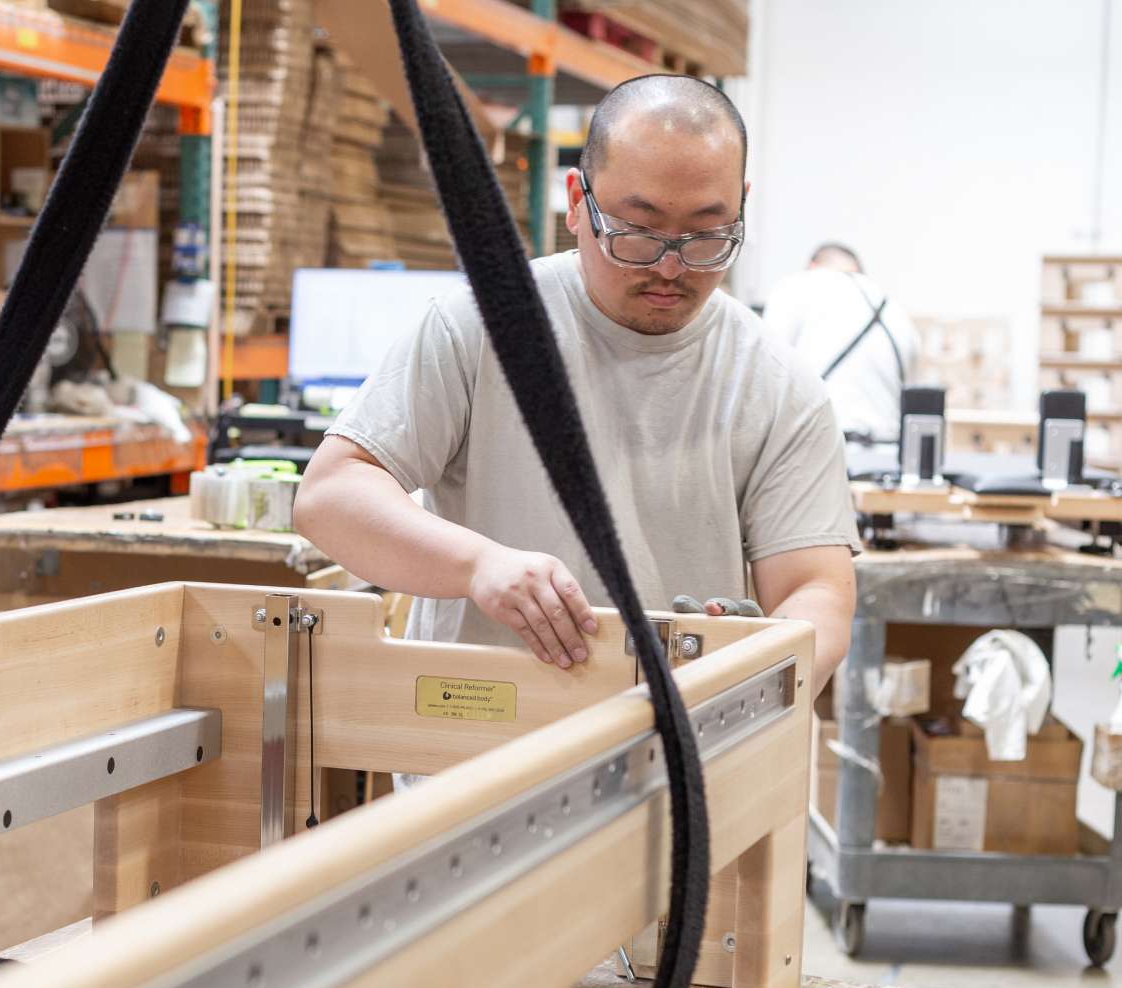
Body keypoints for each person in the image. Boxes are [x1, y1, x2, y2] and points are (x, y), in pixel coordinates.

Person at [293, 74, 857, 698]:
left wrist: (763, 665)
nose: (671, 267)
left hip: (677, 748)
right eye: (638, 232)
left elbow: (818, 588)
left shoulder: (777, 383)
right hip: (478, 748)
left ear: (741, 207)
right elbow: (331, 496)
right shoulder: (484, 326)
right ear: (576, 202)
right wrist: (478, 565)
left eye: (706, 237)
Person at [763, 243, 920, 443]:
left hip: (823, 446)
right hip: (887, 452)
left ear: (812, 266)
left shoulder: (797, 286)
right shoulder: (896, 309)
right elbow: (912, 390)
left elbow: (767, 371)